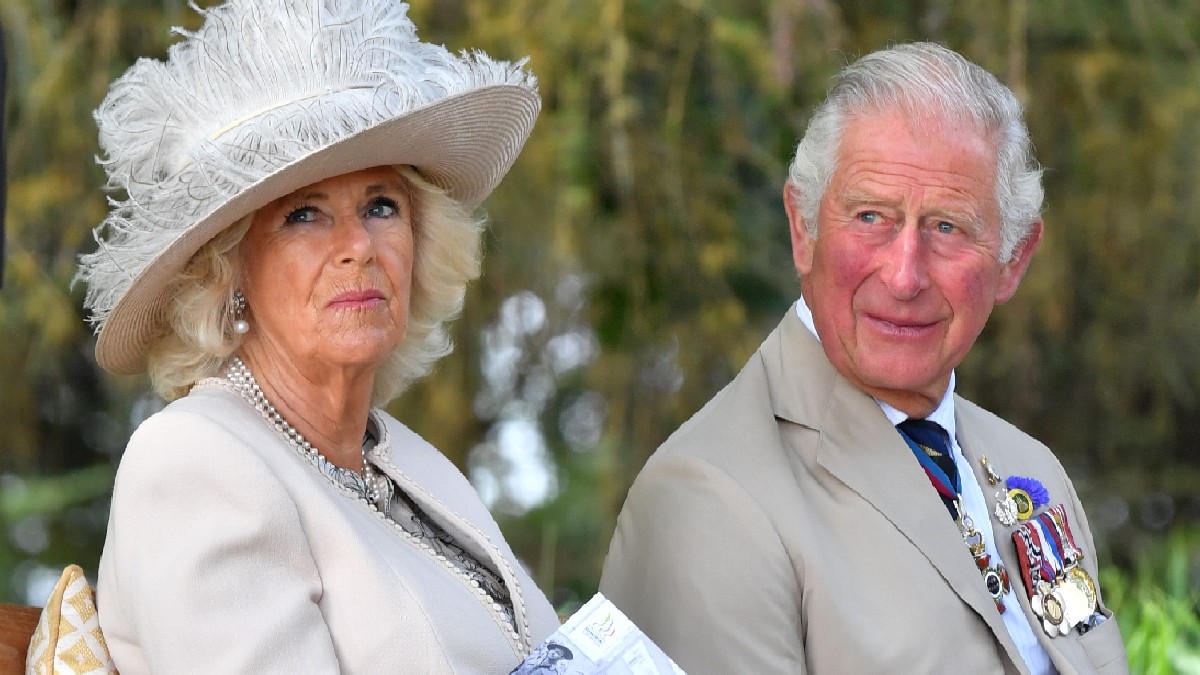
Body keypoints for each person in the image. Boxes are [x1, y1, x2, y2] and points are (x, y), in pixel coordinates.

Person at [599, 43, 1129, 674]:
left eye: (947, 228)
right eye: (871, 215)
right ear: (802, 228)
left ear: (1014, 260)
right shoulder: (707, 500)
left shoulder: (1031, 469)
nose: (904, 275)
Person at [75, 0, 558, 671]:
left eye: (381, 205)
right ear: (227, 268)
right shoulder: (189, 461)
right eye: (305, 214)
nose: (359, 245)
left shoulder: (412, 462)